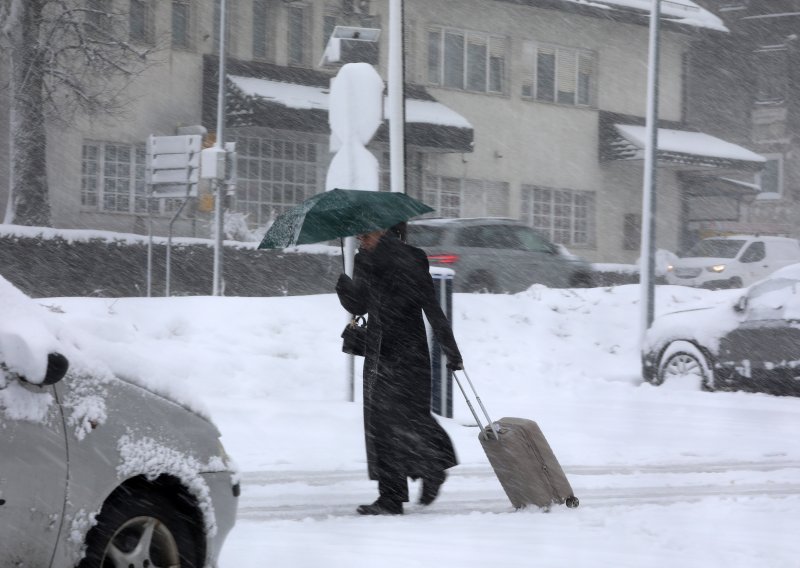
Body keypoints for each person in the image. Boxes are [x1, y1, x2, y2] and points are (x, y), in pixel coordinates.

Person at [336, 227, 464, 515]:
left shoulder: (410, 258)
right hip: (382, 352)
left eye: (366, 235)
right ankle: (395, 494)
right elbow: (360, 304)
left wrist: (450, 349)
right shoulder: (367, 260)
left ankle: (431, 468)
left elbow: (431, 306)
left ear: (383, 231)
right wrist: (345, 285)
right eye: (359, 237)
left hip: (405, 353)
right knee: (384, 427)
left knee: (409, 420)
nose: (362, 241)